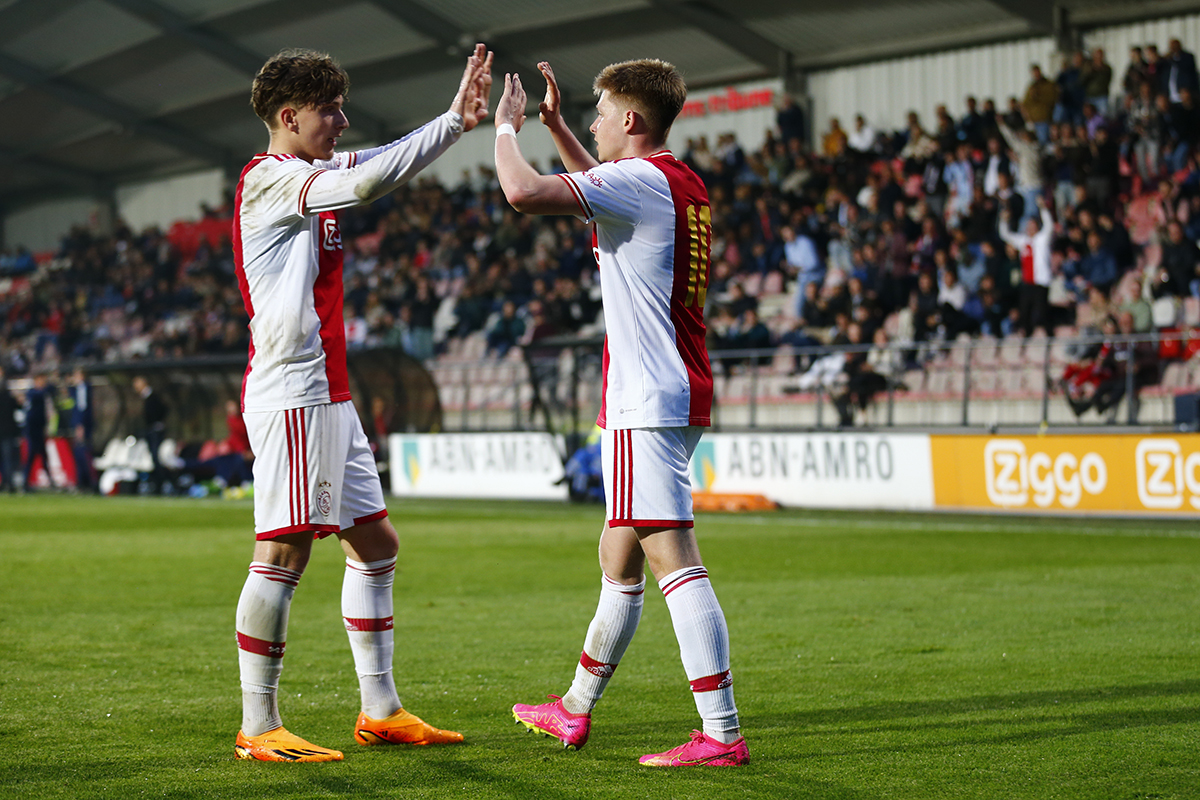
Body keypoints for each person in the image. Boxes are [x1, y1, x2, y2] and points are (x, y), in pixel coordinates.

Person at [229, 44, 492, 763]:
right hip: (293, 393)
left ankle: (380, 710)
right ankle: (258, 726)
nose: (342, 121)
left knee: (376, 546)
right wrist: (448, 123)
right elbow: (374, 179)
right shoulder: (270, 180)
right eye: (329, 110)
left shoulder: (314, 168)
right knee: (281, 552)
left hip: (330, 394)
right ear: (289, 117)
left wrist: (453, 122)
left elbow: (381, 156)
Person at [493, 59, 748, 767]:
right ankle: (573, 708)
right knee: (619, 556)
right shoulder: (676, 179)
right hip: (676, 388)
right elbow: (598, 193)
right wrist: (562, 130)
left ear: (631, 121)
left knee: (673, 558)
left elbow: (522, 192)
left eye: (602, 112)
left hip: (644, 398)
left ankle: (721, 732)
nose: (597, 122)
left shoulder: (636, 182)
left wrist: (506, 128)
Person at [132, 376, 168, 492]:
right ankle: (157, 483)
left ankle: (161, 484)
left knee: (156, 457)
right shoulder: (146, 397)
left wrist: (158, 422)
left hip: (155, 431)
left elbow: (163, 409)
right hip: (151, 430)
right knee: (153, 457)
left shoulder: (153, 397)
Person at [66, 368, 96, 493]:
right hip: (81, 424)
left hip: (82, 426)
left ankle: (88, 483)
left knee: (83, 453)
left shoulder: (83, 388)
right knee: (80, 453)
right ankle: (83, 482)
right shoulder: (79, 388)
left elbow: (82, 408)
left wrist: (80, 425)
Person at [0, 367, 19, 492]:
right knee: (6, 459)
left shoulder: (6, 393)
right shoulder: (8, 394)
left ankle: (8, 483)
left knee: (6, 459)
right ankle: (7, 483)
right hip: (6, 431)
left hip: (5, 431)